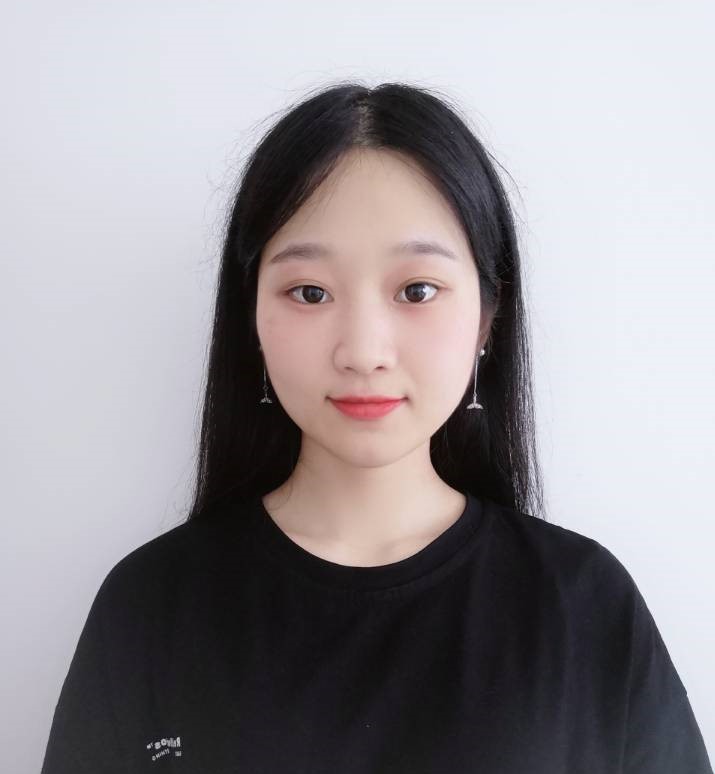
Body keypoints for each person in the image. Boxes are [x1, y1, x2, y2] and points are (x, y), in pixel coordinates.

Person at [40, 81, 712, 773]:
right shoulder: (151, 606)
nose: (363, 351)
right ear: (253, 318)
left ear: (487, 319)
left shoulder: (582, 604)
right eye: (309, 292)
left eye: (417, 290)